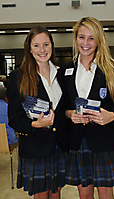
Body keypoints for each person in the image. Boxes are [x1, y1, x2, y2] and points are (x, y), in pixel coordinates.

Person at [61, 17, 114, 199]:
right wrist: (70, 114)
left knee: (105, 195)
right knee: (84, 195)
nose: (86, 43)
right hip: (77, 140)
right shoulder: (66, 71)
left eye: (91, 38)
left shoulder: (113, 69)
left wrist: (112, 115)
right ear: (75, 38)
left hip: (105, 140)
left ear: (99, 40)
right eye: (81, 37)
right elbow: (63, 107)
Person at [7, 26, 69, 199]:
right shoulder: (18, 77)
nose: (42, 50)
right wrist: (35, 124)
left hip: (59, 145)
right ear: (29, 48)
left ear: (52, 46)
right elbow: (14, 118)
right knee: (41, 195)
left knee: (56, 194)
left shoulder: (61, 74)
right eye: (36, 45)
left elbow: (63, 109)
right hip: (35, 146)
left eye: (46, 44)